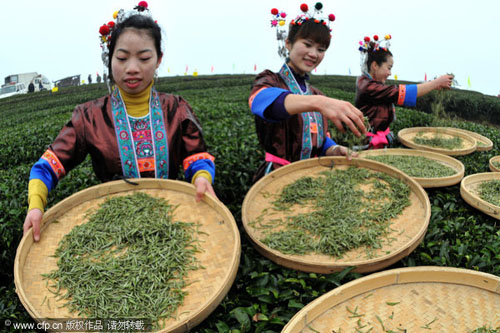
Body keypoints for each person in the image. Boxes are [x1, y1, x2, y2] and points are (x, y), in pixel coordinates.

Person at [24, 1, 216, 242]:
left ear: (158, 59)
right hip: (114, 233)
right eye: (122, 58)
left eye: (144, 58)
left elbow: (196, 157)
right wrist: (35, 205)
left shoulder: (176, 109)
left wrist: (201, 178)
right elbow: (47, 167)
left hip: (174, 221)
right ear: (110, 59)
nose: (132, 68)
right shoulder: (89, 117)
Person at [248, 3, 366, 180]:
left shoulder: (316, 94)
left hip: (311, 178)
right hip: (277, 176)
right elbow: (259, 102)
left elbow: (317, 138)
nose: (314, 54)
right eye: (307, 44)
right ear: (288, 43)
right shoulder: (271, 80)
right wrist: (319, 103)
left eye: (321, 49)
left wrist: (333, 149)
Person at [355, 34, 453, 148]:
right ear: (375, 65)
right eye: (389, 68)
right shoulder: (368, 86)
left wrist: (433, 85)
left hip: (378, 141)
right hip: (367, 145)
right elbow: (400, 93)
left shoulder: (370, 84)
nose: (390, 73)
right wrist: (436, 82)